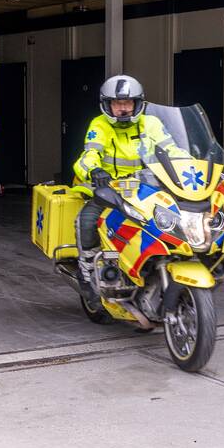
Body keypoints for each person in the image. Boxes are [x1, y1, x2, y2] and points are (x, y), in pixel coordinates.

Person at [73, 74, 178, 304]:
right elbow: (89, 155)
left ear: (137, 103)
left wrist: (191, 167)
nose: (123, 108)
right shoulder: (100, 125)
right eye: (117, 103)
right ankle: (86, 270)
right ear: (107, 105)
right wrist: (94, 170)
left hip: (148, 190)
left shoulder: (151, 123)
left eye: (128, 103)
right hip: (110, 189)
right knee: (87, 219)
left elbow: (174, 151)